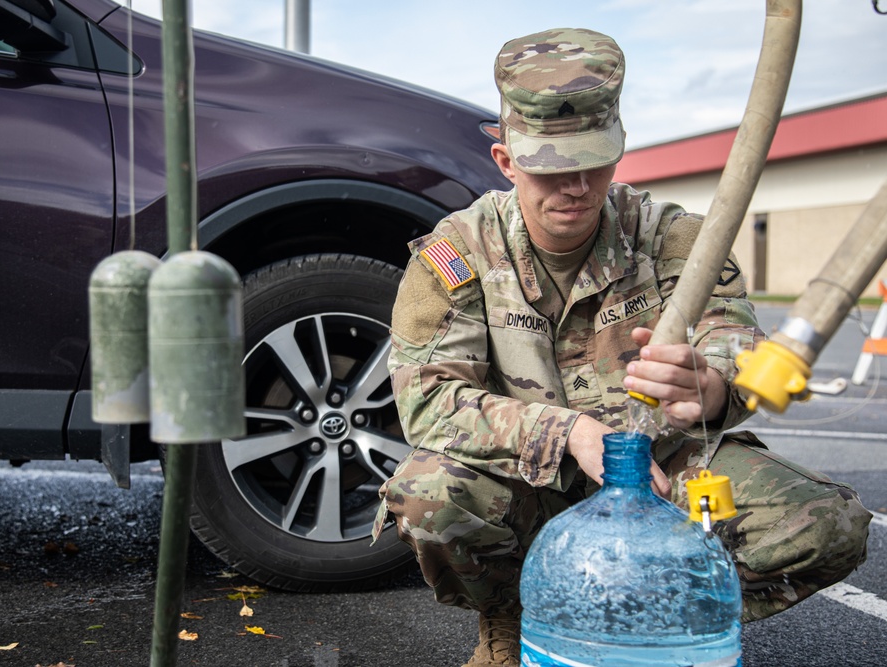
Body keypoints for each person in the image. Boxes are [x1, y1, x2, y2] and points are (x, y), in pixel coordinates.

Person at [371, 27, 872, 667]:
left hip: (665, 474)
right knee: (430, 495)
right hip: (531, 476)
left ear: (621, 148)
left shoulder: (676, 240)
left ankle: (654, 617)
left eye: (593, 161)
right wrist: (568, 433)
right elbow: (429, 401)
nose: (576, 186)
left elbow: (733, 340)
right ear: (505, 161)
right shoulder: (460, 252)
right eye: (551, 167)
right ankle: (513, 617)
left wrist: (713, 385)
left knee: (824, 524)